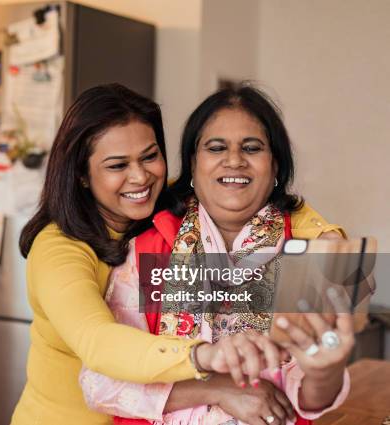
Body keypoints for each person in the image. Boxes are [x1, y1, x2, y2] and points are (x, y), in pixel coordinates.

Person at [11, 84, 286, 425]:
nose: (140, 176)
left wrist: (325, 235)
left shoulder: (159, 214)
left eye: (150, 156)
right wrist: (206, 359)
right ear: (82, 175)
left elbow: (266, 202)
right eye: (116, 166)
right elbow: (98, 342)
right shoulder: (59, 249)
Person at [79, 85, 352, 425]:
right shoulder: (149, 249)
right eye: (216, 147)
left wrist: (326, 371)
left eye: (252, 148)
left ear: (276, 165)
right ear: (193, 164)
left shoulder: (306, 252)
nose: (234, 160)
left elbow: (308, 395)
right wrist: (218, 389)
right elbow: (100, 384)